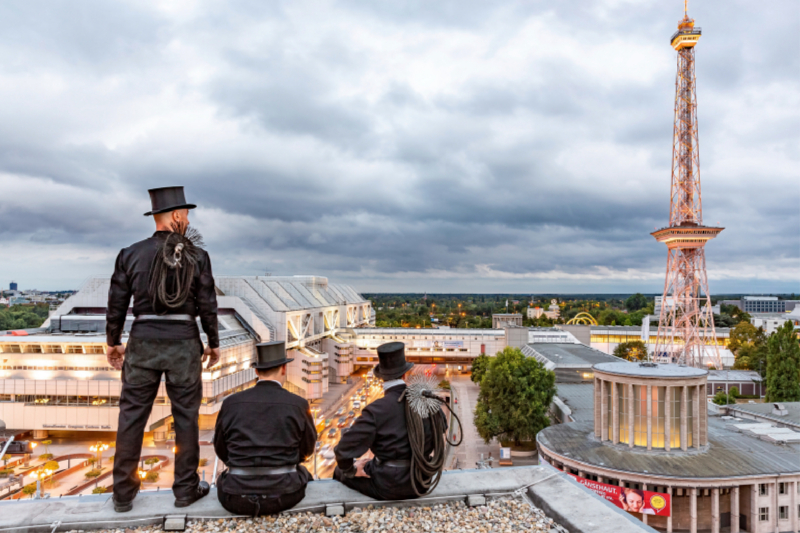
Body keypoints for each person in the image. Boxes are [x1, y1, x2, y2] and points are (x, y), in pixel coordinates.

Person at [106, 186, 219, 513]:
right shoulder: (198, 256)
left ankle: (123, 494)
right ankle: (185, 489)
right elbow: (207, 304)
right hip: (183, 342)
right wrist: (213, 343)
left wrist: (113, 342)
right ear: (176, 216)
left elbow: (116, 304)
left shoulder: (130, 253)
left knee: (131, 418)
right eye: (185, 214)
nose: (187, 219)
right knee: (186, 417)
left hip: (142, 341)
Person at [213, 341, 316, 515]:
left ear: (256, 371)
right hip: (285, 495)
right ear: (284, 369)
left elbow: (220, 448)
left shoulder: (230, 403)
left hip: (235, 498)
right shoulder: (299, 404)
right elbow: (307, 449)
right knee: (305, 473)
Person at [333, 342, 445, 500]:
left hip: (388, 485)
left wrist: (351, 470)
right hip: (421, 480)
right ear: (405, 375)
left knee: (339, 472)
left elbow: (343, 450)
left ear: (381, 379)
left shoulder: (375, 410)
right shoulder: (425, 401)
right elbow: (442, 426)